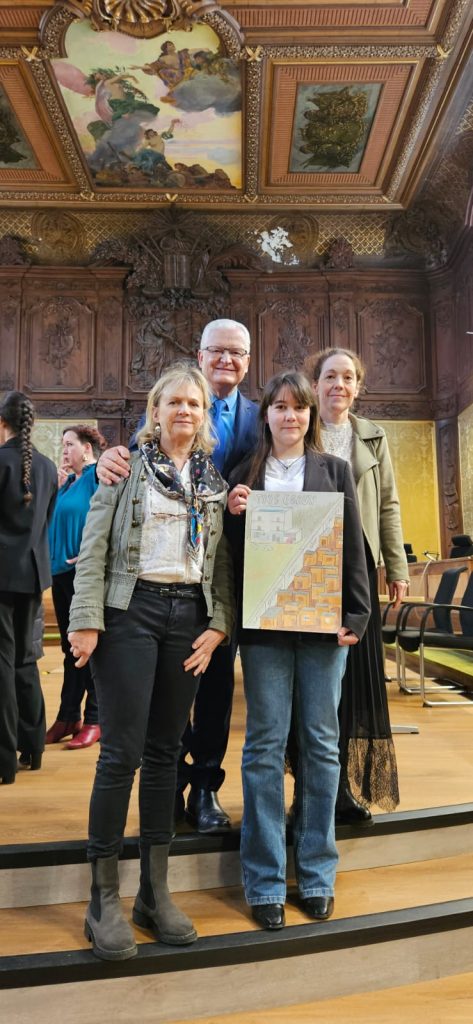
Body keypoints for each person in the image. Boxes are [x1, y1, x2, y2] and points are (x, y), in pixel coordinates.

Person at [68, 364, 234, 960]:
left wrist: (219, 624)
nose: (185, 410)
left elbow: (219, 562)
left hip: (187, 619)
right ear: (155, 411)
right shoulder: (124, 468)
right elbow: (94, 545)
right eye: (174, 402)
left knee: (167, 753)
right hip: (130, 612)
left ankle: (153, 892)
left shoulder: (212, 482)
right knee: (121, 754)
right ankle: (102, 900)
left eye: (195, 402)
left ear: (205, 415)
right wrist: (85, 619)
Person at [96, 319, 259, 832]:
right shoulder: (171, 406)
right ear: (201, 355)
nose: (226, 359)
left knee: (215, 690)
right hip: (165, 579)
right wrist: (105, 459)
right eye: (217, 351)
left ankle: (205, 786)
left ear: (248, 361)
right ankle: (167, 784)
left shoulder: (262, 417)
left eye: (236, 352)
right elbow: (133, 468)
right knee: (164, 694)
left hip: (231, 572)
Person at [225, 371, 370, 929]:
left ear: (310, 416)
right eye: (280, 407)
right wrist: (233, 514)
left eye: (299, 408)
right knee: (263, 746)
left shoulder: (333, 470)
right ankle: (263, 879)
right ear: (265, 415)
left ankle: (315, 874)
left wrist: (357, 613)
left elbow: (351, 543)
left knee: (321, 744)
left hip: (322, 627)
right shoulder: (244, 473)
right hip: (264, 628)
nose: (290, 416)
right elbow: (230, 557)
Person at [287, 348, 409, 824]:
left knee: (353, 685)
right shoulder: (299, 426)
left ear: (358, 387)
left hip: (358, 571)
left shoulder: (372, 436)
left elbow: (389, 504)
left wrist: (396, 567)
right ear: (315, 384)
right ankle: (306, 791)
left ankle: (343, 790)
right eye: (330, 376)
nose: (339, 384)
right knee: (308, 689)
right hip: (308, 567)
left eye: (348, 377)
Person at [0, 391, 57, 783]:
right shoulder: (48, 466)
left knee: (2, 664)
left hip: (2, 576)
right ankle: (33, 745)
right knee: (25, 658)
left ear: (2, 422)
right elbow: (45, 524)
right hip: (33, 574)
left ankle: (4, 761)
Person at [46, 425, 107, 750]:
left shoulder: (97, 475)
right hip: (60, 575)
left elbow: (109, 517)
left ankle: (95, 719)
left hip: (83, 575)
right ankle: (68, 716)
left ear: (87, 448)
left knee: (90, 650)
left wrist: (89, 553)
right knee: (69, 650)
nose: (65, 450)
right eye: (63, 445)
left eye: (70, 444)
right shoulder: (69, 482)